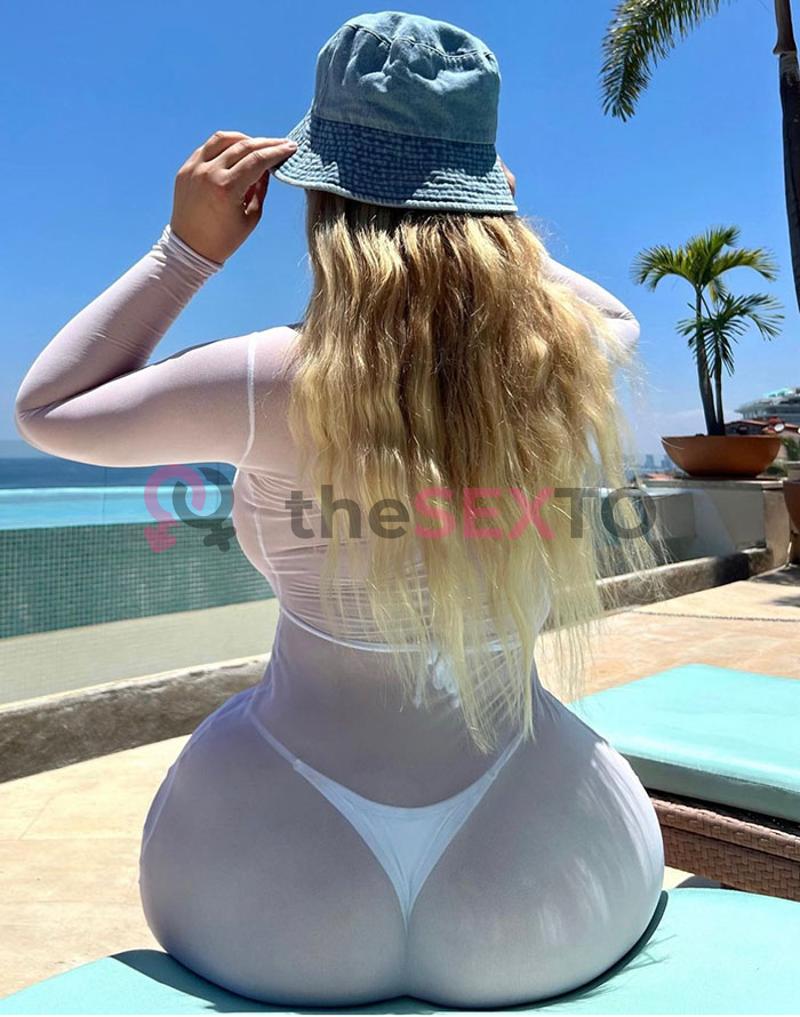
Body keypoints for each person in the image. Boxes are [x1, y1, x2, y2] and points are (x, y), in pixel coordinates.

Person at [14, 11, 664, 1009]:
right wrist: (490, 215)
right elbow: (616, 313)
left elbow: (48, 409)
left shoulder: (267, 378)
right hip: (545, 869)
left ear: (319, 198)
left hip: (275, 871)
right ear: (489, 203)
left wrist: (184, 254)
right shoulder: (555, 362)